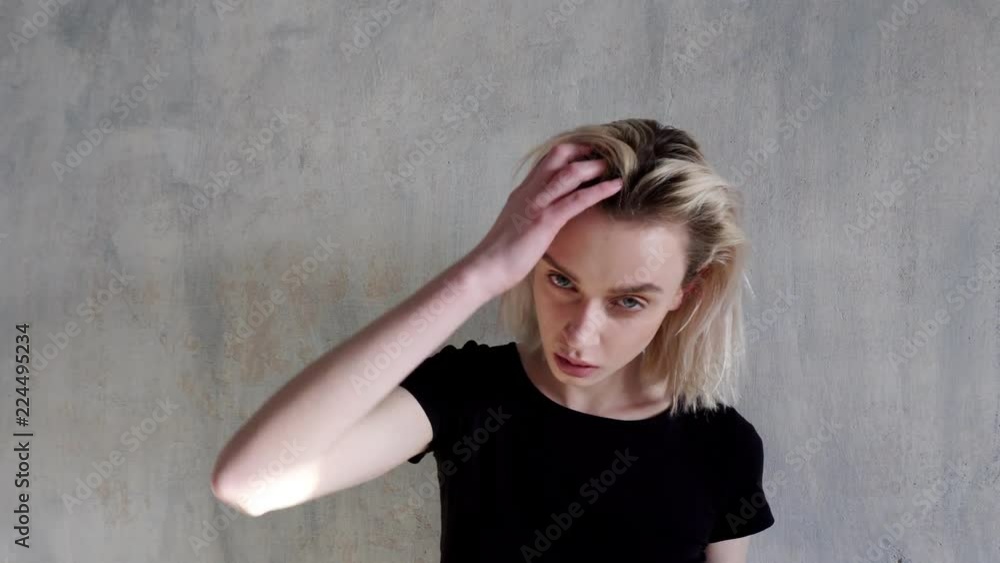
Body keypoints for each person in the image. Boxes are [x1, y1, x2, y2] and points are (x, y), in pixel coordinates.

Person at [210, 118, 775, 562]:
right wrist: (479, 272)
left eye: (629, 301)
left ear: (685, 293)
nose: (580, 333)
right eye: (560, 280)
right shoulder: (468, 392)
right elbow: (249, 482)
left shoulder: (721, 445)